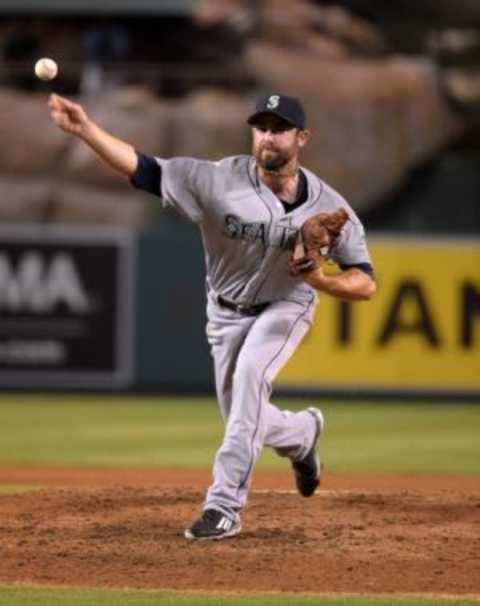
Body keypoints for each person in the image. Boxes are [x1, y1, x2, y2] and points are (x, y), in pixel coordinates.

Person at [48, 92, 376, 540]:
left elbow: (366, 281)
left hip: (287, 305)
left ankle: (224, 506)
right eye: (261, 127)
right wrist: (86, 130)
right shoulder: (218, 179)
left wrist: (322, 281)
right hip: (224, 312)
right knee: (245, 414)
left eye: (279, 129)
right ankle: (303, 433)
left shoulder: (327, 203)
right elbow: (144, 169)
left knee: (249, 381)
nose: (268, 137)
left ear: (302, 138)